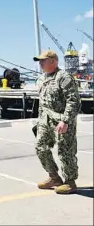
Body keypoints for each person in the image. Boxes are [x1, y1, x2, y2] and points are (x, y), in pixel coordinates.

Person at [33, 50, 81, 194]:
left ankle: (70, 182)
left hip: (62, 120)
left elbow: (74, 101)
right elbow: (42, 102)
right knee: (40, 147)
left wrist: (65, 120)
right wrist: (39, 121)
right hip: (45, 120)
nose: (40, 63)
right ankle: (54, 177)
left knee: (65, 151)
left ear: (54, 61)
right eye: (39, 61)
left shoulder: (64, 77)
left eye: (43, 60)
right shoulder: (42, 78)